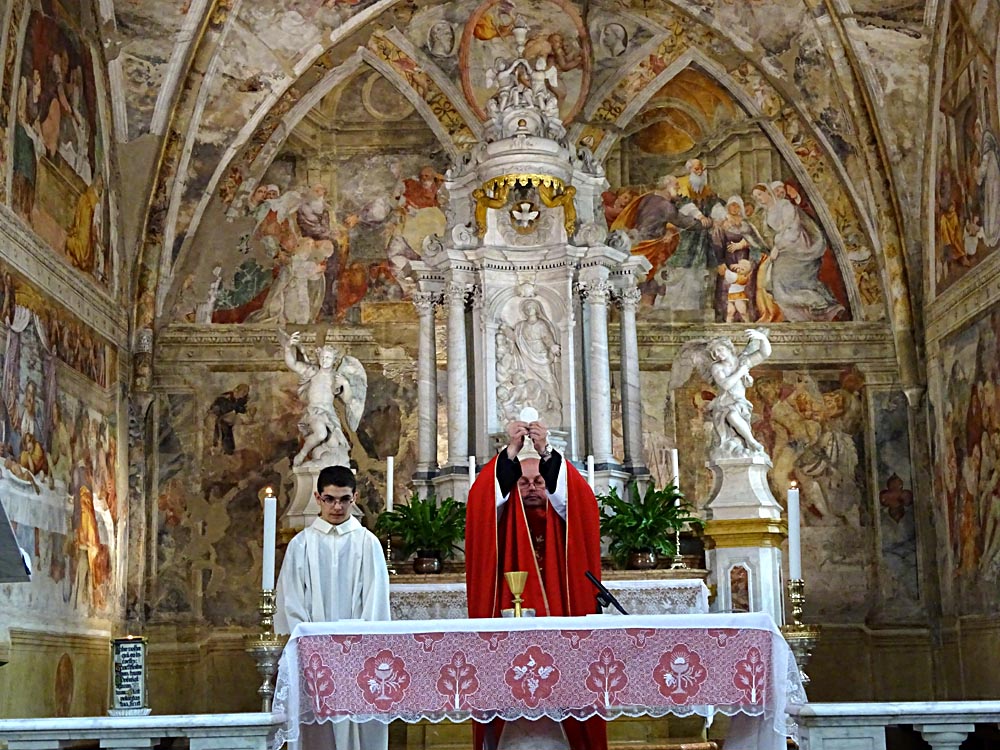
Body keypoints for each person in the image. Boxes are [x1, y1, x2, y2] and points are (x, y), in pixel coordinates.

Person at [466, 420, 606, 750]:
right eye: (524, 482)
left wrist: (546, 453)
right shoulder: (503, 516)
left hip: (562, 608)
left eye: (539, 481)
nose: (531, 488)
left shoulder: (563, 516)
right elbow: (482, 503)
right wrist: (509, 454)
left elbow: (580, 502)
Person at [275, 465, 390, 750]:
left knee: (359, 721)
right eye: (330, 499)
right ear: (318, 498)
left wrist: (359, 645)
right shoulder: (301, 544)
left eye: (344, 499)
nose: (337, 507)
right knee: (315, 728)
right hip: (314, 656)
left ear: (355, 498)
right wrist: (311, 644)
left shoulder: (367, 543)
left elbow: (375, 600)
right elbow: (291, 600)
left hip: (359, 655)